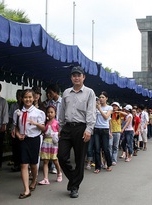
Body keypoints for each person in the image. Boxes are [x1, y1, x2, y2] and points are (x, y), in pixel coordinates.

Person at [58, 66, 96, 198]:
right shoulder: (66, 93)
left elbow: (91, 111)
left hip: (81, 128)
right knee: (61, 157)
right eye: (74, 75)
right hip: (67, 128)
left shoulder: (90, 92)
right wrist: (60, 127)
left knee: (80, 159)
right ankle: (74, 178)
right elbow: (62, 111)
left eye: (79, 75)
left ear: (83, 77)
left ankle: (74, 187)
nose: (76, 77)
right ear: (71, 77)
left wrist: (89, 129)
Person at [12, 89, 46, 199]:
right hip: (23, 140)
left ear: (34, 98)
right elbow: (15, 127)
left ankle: (34, 180)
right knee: (23, 164)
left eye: (30, 97)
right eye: (25, 97)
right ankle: (26, 190)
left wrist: (35, 123)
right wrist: (18, 134)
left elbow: (43, 128)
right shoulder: (18, 112)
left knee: (33, 164)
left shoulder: (39, 113)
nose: (28, 99)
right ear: (22, 99)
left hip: (34, 139)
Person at [38, 105, 62, 185]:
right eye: (48, 112)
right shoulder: (45, 122)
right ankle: (45, 179)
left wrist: (57, 135)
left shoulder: (57, 123)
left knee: (55, 160)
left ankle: (59, 173)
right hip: (46, 142)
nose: (49, 114)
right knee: (45, 161)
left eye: (51, 112)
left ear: (55, 113)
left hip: (54, 143)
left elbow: (60, 132)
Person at [92, 91, 113, 173]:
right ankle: (98, 167)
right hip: (97, 129)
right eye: (100, 97)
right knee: (97, 149)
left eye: (103, 97)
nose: (101, 99)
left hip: (105, 129)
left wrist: (99, 109)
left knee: (105, 148)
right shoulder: (96, 107)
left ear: (106, 98)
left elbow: (106, 117)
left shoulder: (109, 108)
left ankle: (109, 164)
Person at [46, 84, 62, 174]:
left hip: (60, 126)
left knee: (59, 146)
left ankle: (56, 165)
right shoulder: (50, 102)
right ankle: (53, 166)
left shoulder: (63, 102)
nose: (49, 94)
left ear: (56, 92)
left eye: (51, 92)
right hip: (52, 127)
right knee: (53, 146)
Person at [8, 89, 23, 172]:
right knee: (15, 147)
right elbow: (10, 117)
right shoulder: (13, 105)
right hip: (14, 128)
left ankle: (22, 164)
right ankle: (16, 164)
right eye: (17, 95)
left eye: (20, 95)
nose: (18, 97)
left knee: (21, 148)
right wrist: (10, 128)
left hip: (22, 130)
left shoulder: (25, 106)